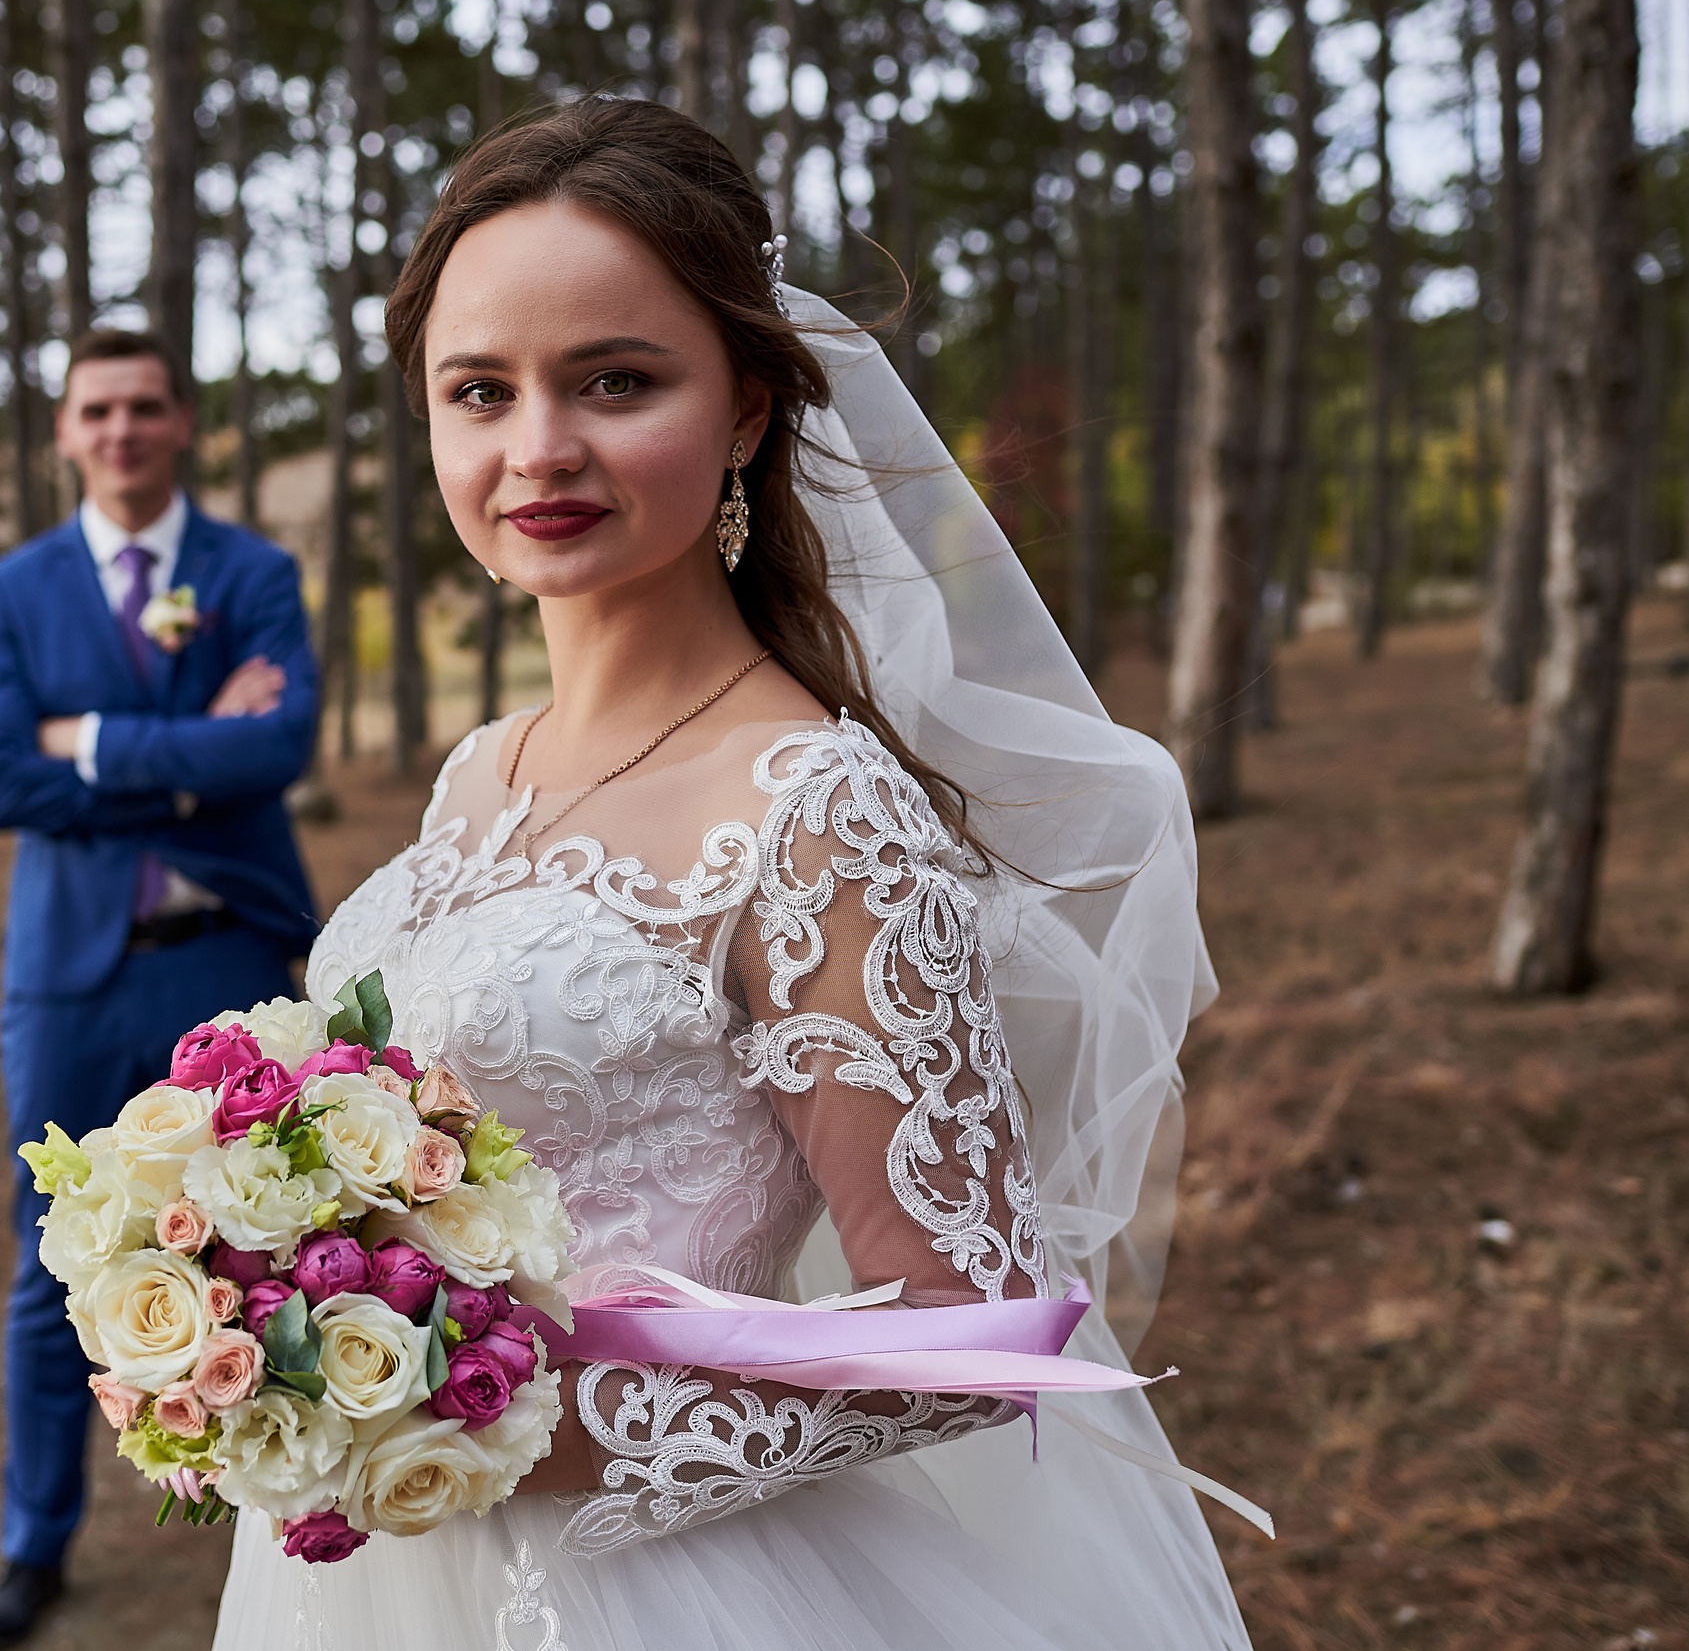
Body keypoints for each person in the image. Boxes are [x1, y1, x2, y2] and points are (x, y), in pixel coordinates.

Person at [211, 99, 1252, 1649]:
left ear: (750, 406)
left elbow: (970, 1334)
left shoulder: (819, 809)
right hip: (368, 1565)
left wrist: (489, 1425)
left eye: (616, 381)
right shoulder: (478, 768)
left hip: (661, 1588)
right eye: (479, 391)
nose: (537, 448)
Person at [0, 328, 321, 1648]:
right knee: (45, 1259)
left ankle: (293, 1509)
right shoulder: (14, 589)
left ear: (181, 424)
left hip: (230, 954)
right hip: (68, 976)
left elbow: (279, 742)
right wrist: (190, 756)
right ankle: (32, 1542)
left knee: (270, 1236)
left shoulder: (253, 571)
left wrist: (96, 742)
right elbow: (0, 777)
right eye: (97, 409)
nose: (122, 429)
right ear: (67, 430)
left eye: (145, 406)